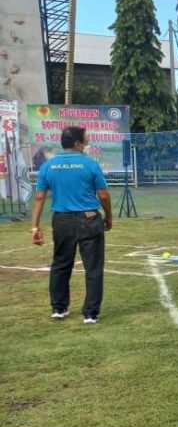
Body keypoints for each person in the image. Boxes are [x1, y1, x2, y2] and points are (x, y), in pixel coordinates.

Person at [29, 125, 112, 323]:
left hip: (61, 220)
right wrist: (108, 216)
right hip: (89, 218)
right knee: (93, 267)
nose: (88, 141)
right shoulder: (90, 164)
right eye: (86, 139)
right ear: (77, 143)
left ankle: (59, 308)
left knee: (60, 264)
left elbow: (40, 197)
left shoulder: (48, 166)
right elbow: (103, 194)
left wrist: (34, 226)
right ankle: (90, 314)